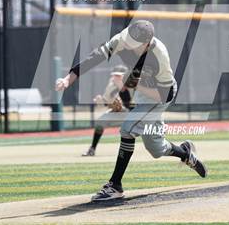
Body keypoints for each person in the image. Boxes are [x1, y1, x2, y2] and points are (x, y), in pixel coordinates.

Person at [56, 20, 207, 201]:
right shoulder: (122, 39)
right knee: (156, 149)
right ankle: (185, 152)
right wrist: (68, 79)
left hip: (160, 95)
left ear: (147, 43)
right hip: (142, 93)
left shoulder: (159, 55)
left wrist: (131, 86)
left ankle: (115, 185)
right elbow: (94, 57)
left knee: (127, 129)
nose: (127, 44)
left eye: (133, 44)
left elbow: (164, 94)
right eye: (128, 39)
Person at [82, 65, 134, 157]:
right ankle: (92, 149)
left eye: (119, 75)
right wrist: (101, 101)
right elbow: (107, 102)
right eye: (115, 75)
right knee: (100, 123)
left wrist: (121, 106)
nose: (116, 77)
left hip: (134, 112)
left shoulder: (132, 83)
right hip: (120, 112)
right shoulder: (111, 84)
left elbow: (131, 103)